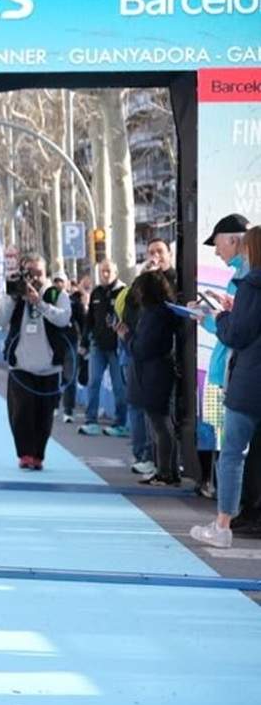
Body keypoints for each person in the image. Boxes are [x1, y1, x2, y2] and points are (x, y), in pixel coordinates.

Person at [192, 225, 261, 547]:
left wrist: (219, 317)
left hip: (248, 383)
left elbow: (238, 335)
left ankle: (222, 527)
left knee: (232, 454)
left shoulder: (250, 284)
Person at [0, 254, 71, 470]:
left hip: (49, 366)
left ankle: (38, 455)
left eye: (38, 272)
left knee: (44, 416)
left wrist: (40, 303)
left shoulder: (56, 293)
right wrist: (13, 296)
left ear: (45, 272)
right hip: (21, 365)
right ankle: (25, 454)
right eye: (30, 272)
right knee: (20, 413)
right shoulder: (15, 294)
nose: (34, 277)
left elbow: (64, 318)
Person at [123, 270, 181, 486]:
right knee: (161, 422)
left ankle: (165, 471)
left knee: (159, 423)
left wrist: (127, 337)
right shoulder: (162, 312)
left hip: (155, 372)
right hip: (157, 370)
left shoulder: (154, 314)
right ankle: (167, 470)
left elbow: (142, 348)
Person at [78, 259, 128, 437]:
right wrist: (84, 342)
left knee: (119, 386)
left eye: (108, 271)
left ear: (115, 271)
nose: (105, 275)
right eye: (102, 272)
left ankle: (121, 423)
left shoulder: (124, 292)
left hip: (117, 347)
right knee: (93, 383)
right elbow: (89, 320)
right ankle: (91, 421)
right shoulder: (97, 292)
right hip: (97, 346)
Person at [51, 271, 85, 423]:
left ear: (66, 284)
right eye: (55, 281)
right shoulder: (47, 300)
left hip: (70, 343)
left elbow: (83, 322)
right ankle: (53, 405)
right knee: (52, 375)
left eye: (61, 281)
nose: (58, 284)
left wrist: (84, 343)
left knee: (70, 376)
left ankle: (68, 410)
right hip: (52, 344)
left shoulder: (73, 302)